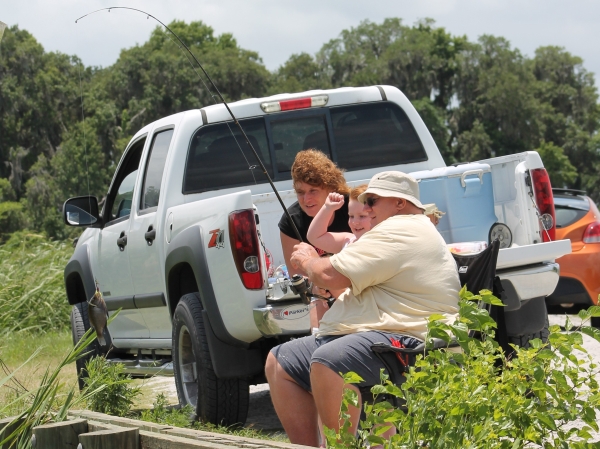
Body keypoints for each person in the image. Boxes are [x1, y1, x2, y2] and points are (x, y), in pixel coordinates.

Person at [265, 171, 461, 447]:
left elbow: (330, 275)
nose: (366, 208)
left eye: (372, 201)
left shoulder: (400, 230)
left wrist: (310, 262)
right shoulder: (393, 230)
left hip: (408, 341)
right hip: (374, 334)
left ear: (399, 203)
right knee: (280, 361)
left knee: (330, 360)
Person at [306, 184, 371, 332]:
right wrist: (327, 208)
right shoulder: (349, 239)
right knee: (317, 289)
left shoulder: (377, 245)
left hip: (361, 318)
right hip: (344, 314)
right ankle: (317, 334)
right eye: (351, 216)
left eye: (362, 216)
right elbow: (314, 236)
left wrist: (328, 283)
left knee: (322, 279)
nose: (355, 222)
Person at [278, 149, 351, 276]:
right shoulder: (291, 220)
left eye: (313, 191)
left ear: (330, 188)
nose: (306, 199)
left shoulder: (352, 207)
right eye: (300, 192)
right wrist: (316, 287)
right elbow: (296, 273)